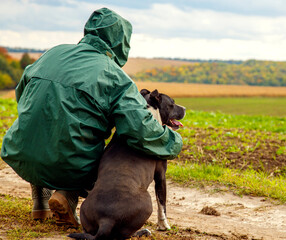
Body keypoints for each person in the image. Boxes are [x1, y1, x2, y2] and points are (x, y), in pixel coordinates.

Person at [1, 8, 182, 227]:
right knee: (110, 164)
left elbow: (23, 95)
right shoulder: (115, 77)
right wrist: (173, 141)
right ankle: (67, 194)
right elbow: (140, 129)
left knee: (44, 132)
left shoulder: (52, 53)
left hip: (19, 151)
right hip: (66, 164)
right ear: (121, 43)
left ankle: (41, 199)